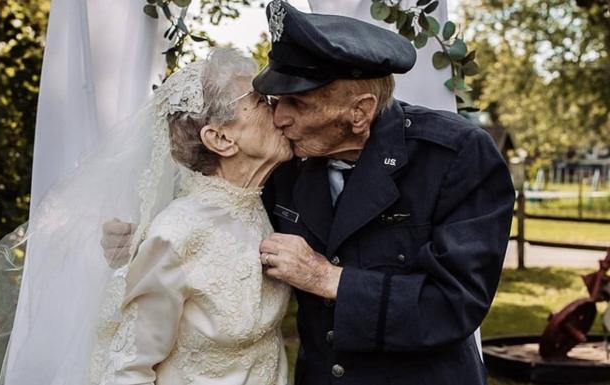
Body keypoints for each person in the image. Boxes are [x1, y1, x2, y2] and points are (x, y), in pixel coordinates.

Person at [103, 2, 516, 384]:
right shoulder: (287, 161)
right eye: (274, 101)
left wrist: (326, 277)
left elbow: (453, 305)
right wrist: (142, 234)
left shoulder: (456, 156)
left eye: (296, 104)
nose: (278, 117)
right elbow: (216, 208)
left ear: (359, 112)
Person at [0, 48, 292, 385]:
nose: (278, 108)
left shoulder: (259, 202)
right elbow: (127, 368)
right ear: (221, 138)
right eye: (260, 101)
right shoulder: (177, 233)